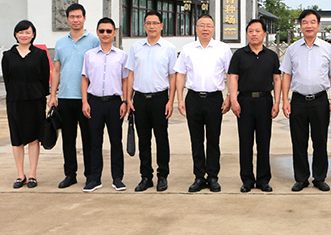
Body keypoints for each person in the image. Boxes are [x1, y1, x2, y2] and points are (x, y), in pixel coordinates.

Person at [281, 9, 331, 192]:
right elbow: (286, 75)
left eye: (312, 22)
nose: (309, 25)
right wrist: (285, 100)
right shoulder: (292, 49)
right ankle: (301, 178)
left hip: (320, 100)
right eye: (305, 22)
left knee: (320, 140)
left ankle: (319, 177)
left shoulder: (327, 49)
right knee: (298, 140)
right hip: (298, 101)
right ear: (300, 26)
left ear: (318, 25)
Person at [175, 14, 232, 193]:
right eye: (201, 25)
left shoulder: (223, 49)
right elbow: (180, 74)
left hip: (215, 99)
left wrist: (230, 96)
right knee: (196, 140)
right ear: (196, 28)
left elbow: (231, 74)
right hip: (193, 98)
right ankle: (199, 177)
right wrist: (179, 98)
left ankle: (213, 177)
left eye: (208, 25)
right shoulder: (187, 49)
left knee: (213, 140)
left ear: (214, 29)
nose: (205, 29)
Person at [126, 10, 177, 192]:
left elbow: (173, 76)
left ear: (161, 26)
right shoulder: (136, 48)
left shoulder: (169, 48)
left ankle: (162, 175)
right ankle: (146, 176)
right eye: (148, 23)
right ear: (144, 26)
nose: (152, 26)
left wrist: (171, 101)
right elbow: (131, 75)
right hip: (140, 99)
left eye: (155, 23)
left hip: (160, 99)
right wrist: (128, 99)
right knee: (143, 140)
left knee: (161, 138)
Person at [49, 3, 99, 189]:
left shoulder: (94, 41)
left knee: (88, 138)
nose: (75, 20)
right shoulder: (60, 43)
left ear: (84, 18)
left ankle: (90, 175)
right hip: (65, 97)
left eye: (79, 16)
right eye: (72, 17)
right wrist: (53, 95)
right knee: (68, 139)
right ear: (67, 19)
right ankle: (70, 174)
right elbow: (56, 70)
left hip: (87, 99)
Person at [228, 19, 282, 193]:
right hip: (244, 101)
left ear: (264, 34)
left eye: (257, 31)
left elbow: (277, 79)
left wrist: (277, 102)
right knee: (245, 142)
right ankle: (247, 180)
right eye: (250, 31)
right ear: (246, 34)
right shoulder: (239, 55)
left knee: (264, 142)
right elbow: (233, 77)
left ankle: (263, 180)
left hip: (265, 101)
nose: (254, 34)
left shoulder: (271, 56)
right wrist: (234, 100)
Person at [81, 17, 129, 192]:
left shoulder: (122, 56)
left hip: (114, 102)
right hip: (94, 102)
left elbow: (125, 80)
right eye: (102, 31)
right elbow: (84, 79)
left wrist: (125, 101)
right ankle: (94, 178)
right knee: (95, 142)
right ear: (97, 32)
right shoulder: (89, 55)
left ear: (114, 33)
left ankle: (117, 178)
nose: (105, 34)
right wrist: (85, 101)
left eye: (109, 31)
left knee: (116, 141)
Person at [2, 20, 50, 189]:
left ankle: (32, 175)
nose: (24, 35)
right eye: (20, 32)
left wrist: (40, 94)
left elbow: (45, 78)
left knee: (33, 138)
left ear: (33, 34)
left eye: (27, 32)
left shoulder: (40, 54)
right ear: (15, 34)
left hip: (35, 101)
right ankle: (20, 174)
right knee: (17, 138)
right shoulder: (8, 56)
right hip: (15, 101)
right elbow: (7, 80)